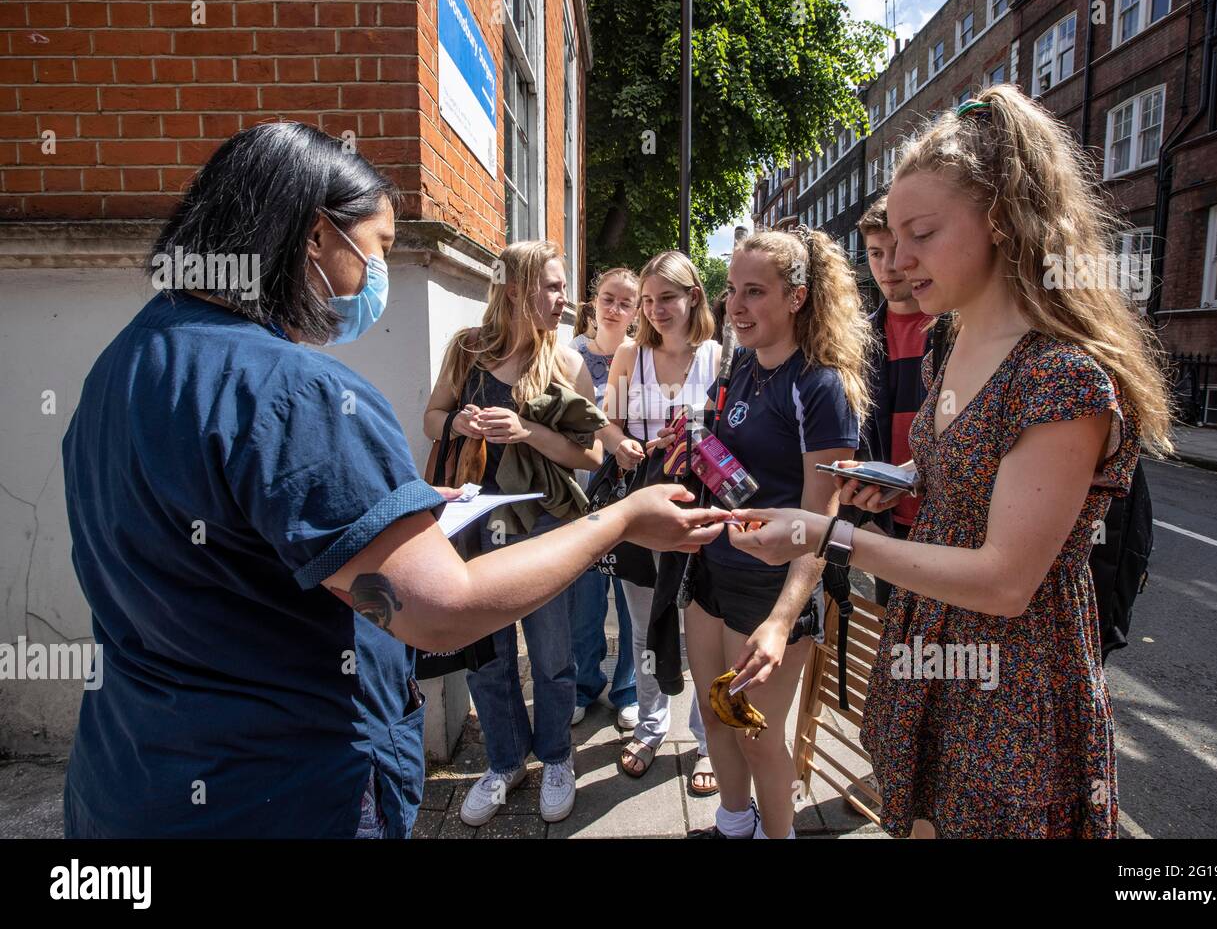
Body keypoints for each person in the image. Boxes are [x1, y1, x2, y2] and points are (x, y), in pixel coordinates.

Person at [59, 122, 724, 839]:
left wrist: (389, 516)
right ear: (317, 238)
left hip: (130, 778)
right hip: (285, 792)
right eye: (378, 247)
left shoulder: (120, 365)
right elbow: (439, 609)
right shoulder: (294, 393)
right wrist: (618, 521)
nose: (379, 273)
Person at [727, 87, 1174, 838]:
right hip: (930, 643)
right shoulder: (947, 339)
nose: (896, 262)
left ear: (999, 218)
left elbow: (1005, 580)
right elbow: (966, 479)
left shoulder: (1060, 376)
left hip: (1010, 675)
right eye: (892, 237)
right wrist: (897, 484)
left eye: (921, 234)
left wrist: (821, 531)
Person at [685, 226, 870, 838]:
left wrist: (783, 620)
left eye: (754, 292)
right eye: (731, 290)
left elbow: (823, 523)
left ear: (796, 298)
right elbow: (735, 464)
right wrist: (691, 443)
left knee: (759, 739)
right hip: (711, 572)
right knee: (716, 718)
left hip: (772, 593)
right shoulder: (739, 367)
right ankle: (733, 826)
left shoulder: (821, 387)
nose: (735, 307)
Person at [426, 240, 609, 827]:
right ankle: (504, 762)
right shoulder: (467, 350)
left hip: (545, 525)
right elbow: (431, 418)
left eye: (563, 286)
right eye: (552, 286)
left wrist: (526, 430)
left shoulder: (567, 361)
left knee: (553, 652)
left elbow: (592, 455)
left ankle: (556, 755)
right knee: (488, 653)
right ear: (515, 288)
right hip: (477, 524)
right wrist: (459, 420)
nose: (565, 298)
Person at [602, 251, 719, 791]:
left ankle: (706, 739)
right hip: (644, 504)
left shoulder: (722, 358)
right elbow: (610, 423)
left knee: (702, 621)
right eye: (647, 301)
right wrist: (624, 444)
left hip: (701, 511)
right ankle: (651, 727)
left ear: (693, 295)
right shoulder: (632, 355)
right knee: (645, 615)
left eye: (665, 298)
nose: (654, 311)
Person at [858, 196, 951, 606]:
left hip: (950, 531)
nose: (889, 266)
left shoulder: (954, 329)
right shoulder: (860, 339)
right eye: (876, 253)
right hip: (889, 530)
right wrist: (864, 519)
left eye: (896, 250)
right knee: (896, 656)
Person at [567, 268, 640, 729]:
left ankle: (628, 688)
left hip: (628, 490)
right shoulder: (569, 353)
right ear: (594, 302)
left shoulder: (640, 356)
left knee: (630, 593)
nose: (615, 309)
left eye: (625, 303)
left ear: (635, 312)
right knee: (584, 593)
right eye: (608, 299)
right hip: (579, 490)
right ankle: (583, 683)